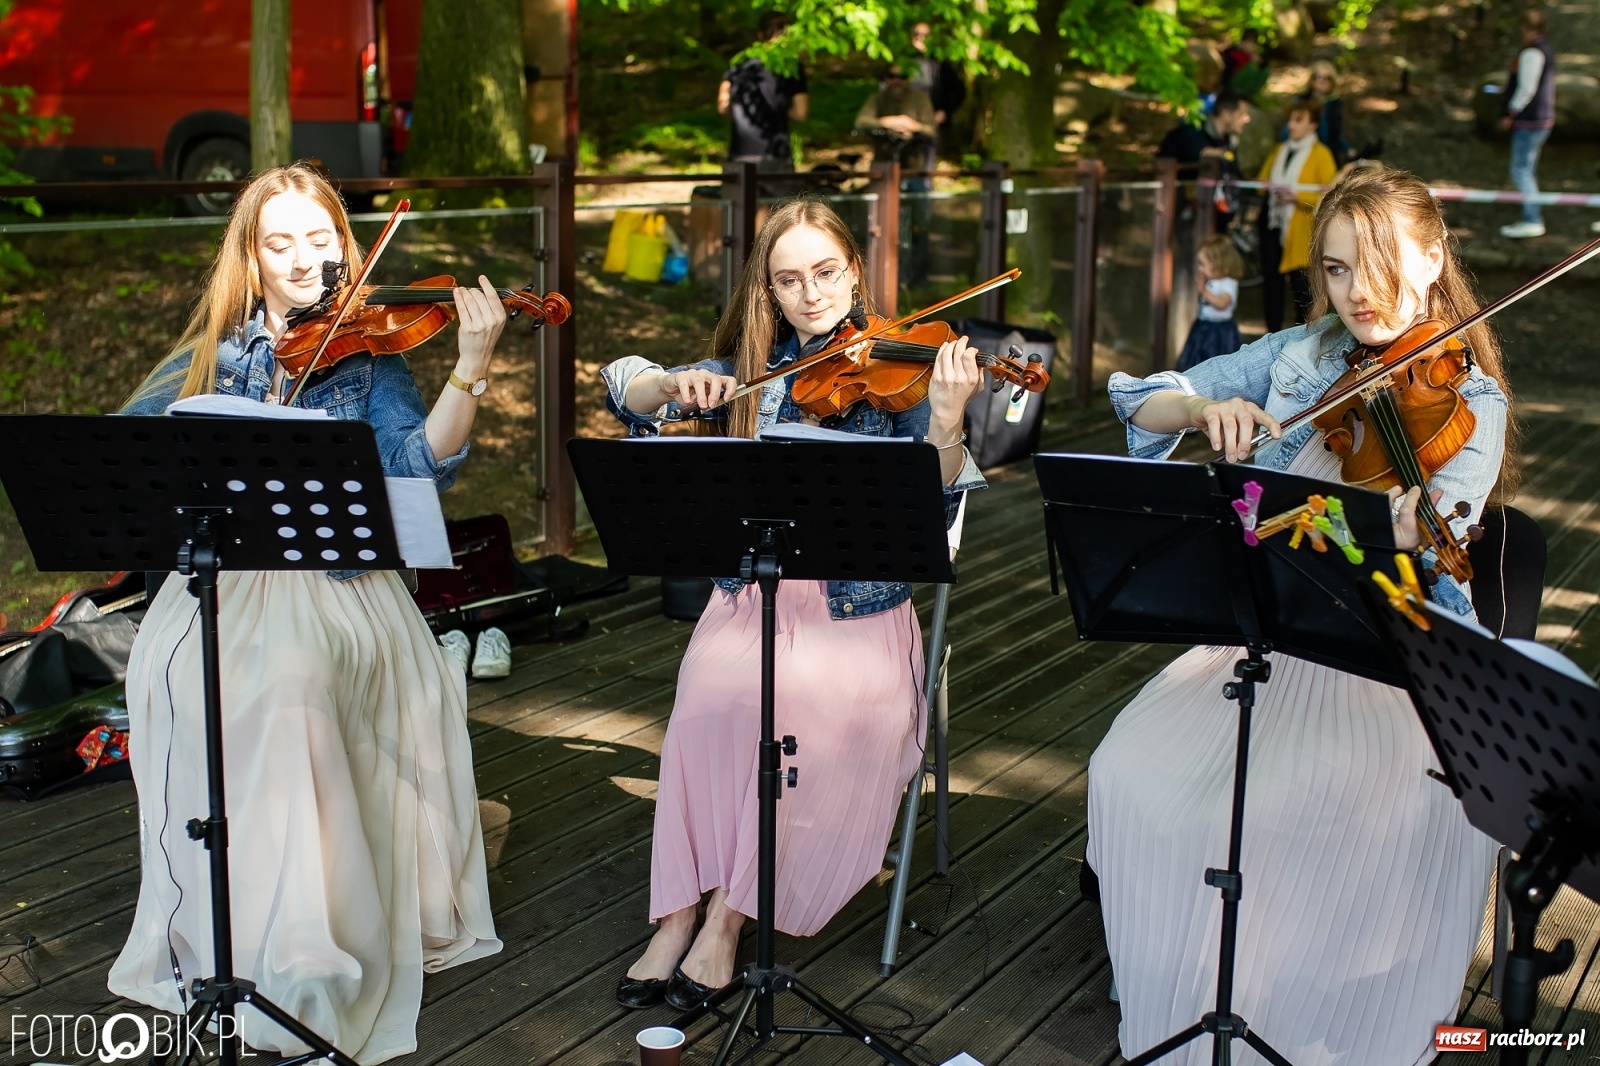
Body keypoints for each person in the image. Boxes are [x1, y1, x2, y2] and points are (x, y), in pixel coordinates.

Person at [1092, 164, 1512, 1065]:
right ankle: (1202, 994)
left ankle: (1302, 1007)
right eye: (1333, 269)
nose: (1357, 293)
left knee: (1288, 808)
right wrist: (1209, 408)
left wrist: (1406, 526)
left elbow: (1448, 543)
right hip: (1270, 637)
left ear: (1435, 256)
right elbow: (1140, 400)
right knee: (1125, 766)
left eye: (1382, 263)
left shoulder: (1472, 399)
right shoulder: (1303, 353)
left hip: (1391, 664)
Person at [110, 163, 504, 1063]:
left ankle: (303, 942)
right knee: (172, 681)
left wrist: (471, 370)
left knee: (290, 683)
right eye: (278, 242)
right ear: (249, 255)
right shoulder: (213, 345)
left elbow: (417, 463)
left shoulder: (370, 350)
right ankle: (226, 921)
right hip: (223, 578)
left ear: (344, 245)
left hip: (335, 583)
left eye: (319, 240)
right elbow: (132, 450)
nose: (301, 259)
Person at [600, 197, 986, 1011]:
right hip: (754, 597)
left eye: (824, 272)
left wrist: (947, 421)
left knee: (798, 712)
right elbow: (620, 384)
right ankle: (674, 915)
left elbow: (938, 516)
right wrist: (671, 385)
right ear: (769, 294)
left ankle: (727, 923)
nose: (810, 294)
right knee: (708, 701)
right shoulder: (754, 368)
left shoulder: (907, 365)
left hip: (857, 613)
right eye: (788, 281)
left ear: (853, 268)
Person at [1256, 100, 1338, 331]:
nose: (1291, 125)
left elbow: (1331, 196)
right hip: (1275, 225)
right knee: (1272, 285)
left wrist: (1297, 197)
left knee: (1301, 289)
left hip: (1302, 233)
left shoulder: (1322, 154)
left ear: (1313, 125)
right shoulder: (1280, 150)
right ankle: (1271, 334)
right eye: (1290, 119)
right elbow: (1262, 182)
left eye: (1298, 120)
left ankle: (1304, 337)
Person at [855, 63, 939, 284]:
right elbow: (861, 121)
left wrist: (912, 126)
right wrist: (890, 122)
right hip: (883, 171)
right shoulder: (878, 99)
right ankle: (876, 279)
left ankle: (918, 280)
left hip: (913, 172)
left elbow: (931, 130)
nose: (897, 81)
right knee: (876, 224)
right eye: (892, 76)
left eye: (902, 76)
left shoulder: (920, 99)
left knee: (920, 223)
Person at [719, 11, 809, 174]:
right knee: (778, 200)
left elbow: (723, 106)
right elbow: (800, 113)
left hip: (741, 151)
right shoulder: (791, 66)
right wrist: (779, 109)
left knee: (740, 198)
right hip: (775, 153)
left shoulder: (738, 63)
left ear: (760, 34)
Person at [1157, 91, 1252, 230]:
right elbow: (1202, 153)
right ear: (1226, 114)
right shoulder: (1192, 132)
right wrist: (1221, 155)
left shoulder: (1227, 141)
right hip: (1183, 219)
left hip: (1215, 220)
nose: (1247, 119)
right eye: (1242, 114)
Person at [1499, 9, 1555, 239]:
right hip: (1540, 119)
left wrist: (1510, 112)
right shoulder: (1545, 49)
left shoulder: (1532, 52)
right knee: (1526, 169)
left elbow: (1527, 88)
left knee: (1521, 170)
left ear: (1528, 28)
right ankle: (1530, 214)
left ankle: (1532, 219)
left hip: (1530, 121)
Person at [1176, 234, 1243, 372]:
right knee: (1195, 362)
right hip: (1203, 327)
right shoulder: (1211, 281)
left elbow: (1222, 303)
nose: (1200, 268)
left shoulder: (1228, 283)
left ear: (1218, 264)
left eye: (1203, 264)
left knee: (1217, 365)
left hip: (1219, 331)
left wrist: (1204, 291)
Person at [907, 20, 967, 165]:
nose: (920, 39)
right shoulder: (903, 61)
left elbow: (959, 90)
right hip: (905, 119)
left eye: (925, 35)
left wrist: (945, 111)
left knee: (926, 162)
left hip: (930, 121)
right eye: (917, 35)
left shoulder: (940, 64)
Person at [1296, 59, 1350, 164]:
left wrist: (1347, 149)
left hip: (1328, 154)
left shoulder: (1335, 104)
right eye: (1319, 77)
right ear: (1312, 80)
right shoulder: (1301, 101)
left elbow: (1335, 133)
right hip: (1302, 152)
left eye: (1327, 78)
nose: (1323, 81)